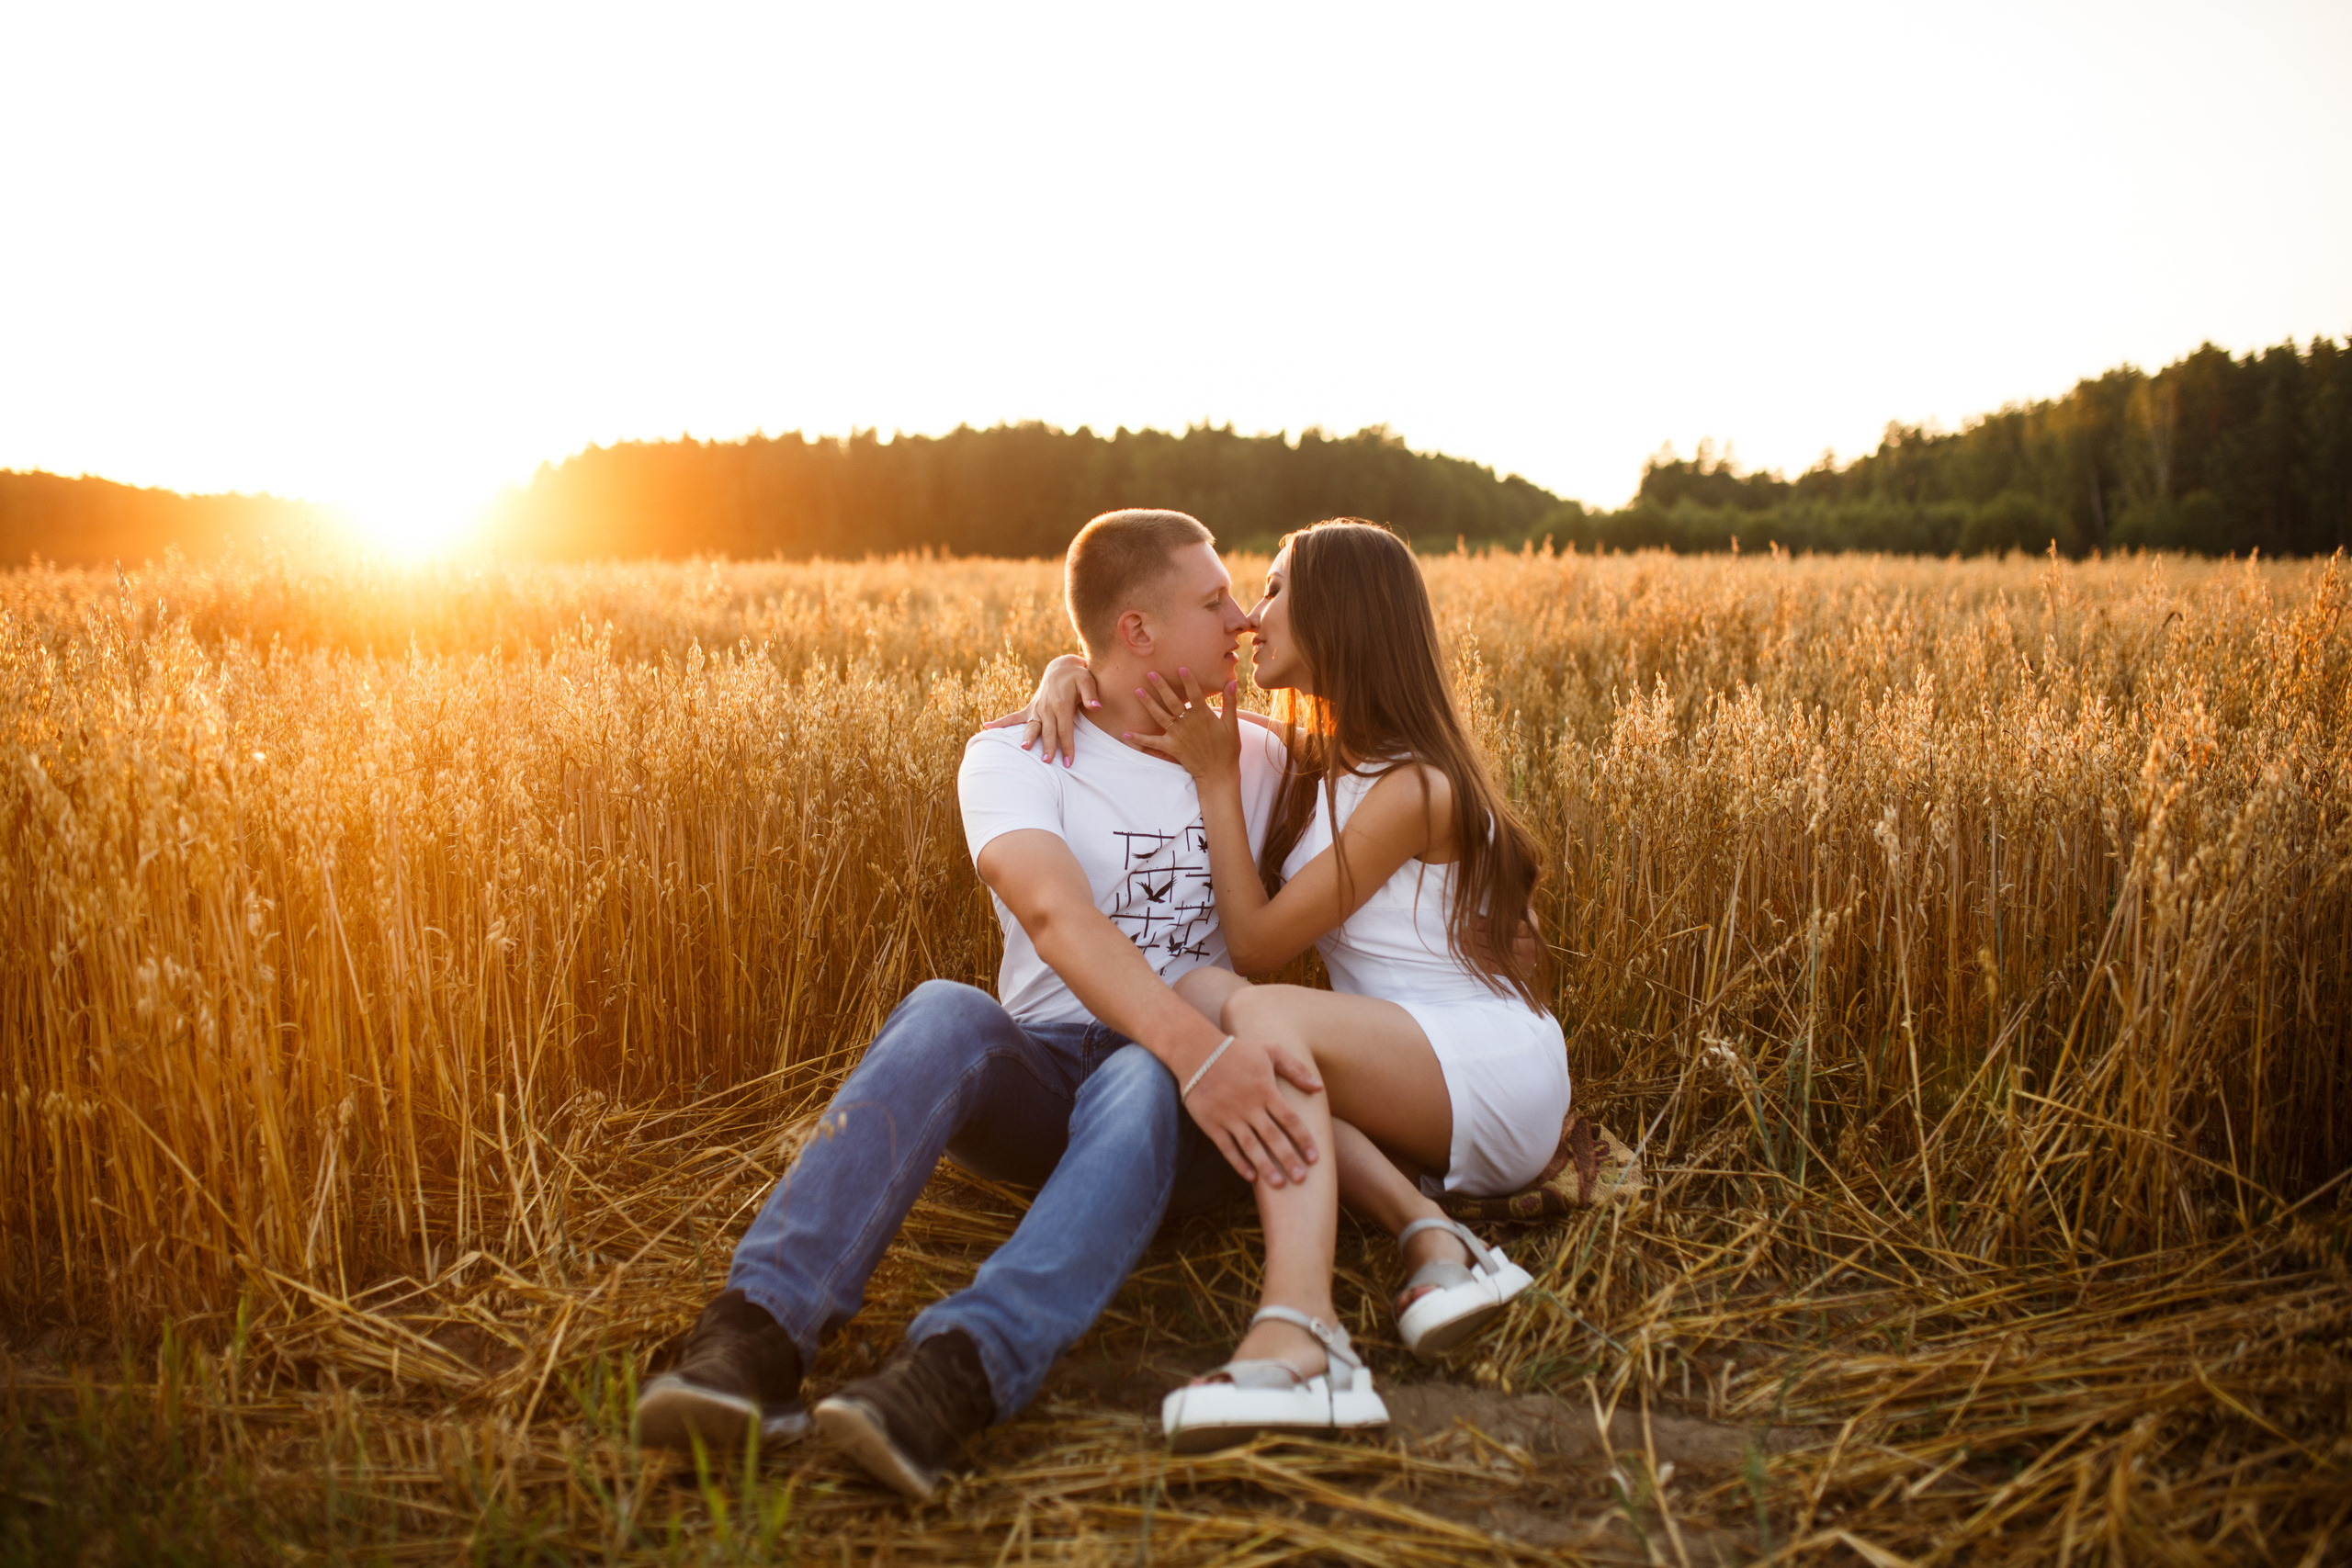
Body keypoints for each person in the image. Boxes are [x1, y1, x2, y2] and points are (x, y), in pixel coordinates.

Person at [630, 509, 1340, 1497]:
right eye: (1214, 599)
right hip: (1056, 1082)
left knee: (1139, 1071)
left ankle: (958, 1370)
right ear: (1134, 632)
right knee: (942, 1009)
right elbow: (1053, 915)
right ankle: (751, 1337)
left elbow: (1398, 740)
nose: (1241, 621)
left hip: (1190, 1117)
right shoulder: (1015, 753)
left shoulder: (1259, 757)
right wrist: (1200, 1050)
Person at [1013, 518, 1570, 1451]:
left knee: (1248, 1005)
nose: (1245, 617)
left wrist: (1217, 782)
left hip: (1488, 1069)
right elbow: (1155, 699)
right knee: (1198, 995)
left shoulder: (1412, 786)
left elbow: (1261, 945)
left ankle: (1304, 1331)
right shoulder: (1330, 763)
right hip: (1409, 1060)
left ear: (1340, 613)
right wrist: (1066, 672)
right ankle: (1435, 1237)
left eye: (1271, 590)